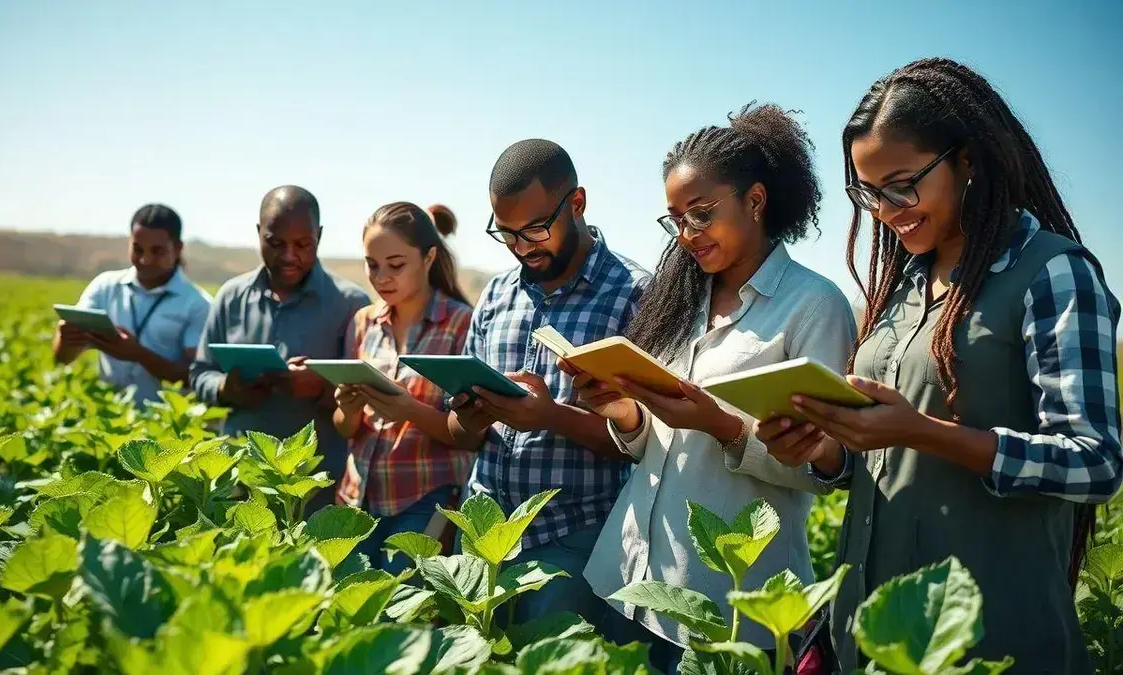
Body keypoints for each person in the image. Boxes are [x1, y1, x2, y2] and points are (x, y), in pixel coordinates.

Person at [758, 58, 1121, 674]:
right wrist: (822, 448)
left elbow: (1095, 462)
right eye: (867, 192)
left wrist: (921, 431)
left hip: (989, 635)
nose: (885, 209)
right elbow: (888, 461)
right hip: (873, 633)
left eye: (902, 185)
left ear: (968, 161)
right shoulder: (900, 287)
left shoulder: (1053, 273)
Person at [566, 105, 856, 673]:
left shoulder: (814, 306)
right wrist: (626, 413)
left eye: (700, 215)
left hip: (727, 604)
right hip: (629, 575)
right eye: (675, 220)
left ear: (755, 200)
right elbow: (654, 440)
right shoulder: (681, 297)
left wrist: (720, 424)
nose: (686, 235)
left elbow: (826, 469)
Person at [446, 139, 649, 624]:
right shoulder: (495, 294)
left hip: (572, 541)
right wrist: (468, 418)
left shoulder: (635, 295)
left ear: (576, 204)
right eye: (507, 234)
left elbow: (647, 443)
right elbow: (456, 431)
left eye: (535, 229)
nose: (522, 248)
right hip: (481, 534)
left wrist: (549, 417)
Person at [190, 185, 370, 507]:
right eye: (275, 243)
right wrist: (225, 388)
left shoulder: (350, 305)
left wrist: (319, 388)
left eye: (302, 245)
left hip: (314, 491)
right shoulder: (231, 297)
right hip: (239, 485)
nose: (289, 256)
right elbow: (200, 372)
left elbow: (368, 402)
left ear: (320, 236)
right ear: (259, 233)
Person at [333, 202, 474, 572]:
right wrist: (346, 407)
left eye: (396, 265)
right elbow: (346, 428)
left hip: (424, 500)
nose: (381, 277)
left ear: (429, 258)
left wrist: (409, 410)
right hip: (356, 497)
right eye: (372, 265)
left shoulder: (461, 325)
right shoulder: (363, 322)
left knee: (401, 611)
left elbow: (471, 433)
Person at [54, 204, 212, 407]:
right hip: (110, 418)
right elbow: (62, 359)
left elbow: (195, 377)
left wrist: (137, 353)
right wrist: (66, 338)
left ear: (178, 248)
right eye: (137, 249)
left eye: (157, 251)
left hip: (164, 426)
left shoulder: (198, 304)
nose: (145, 259)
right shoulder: (105, 286)